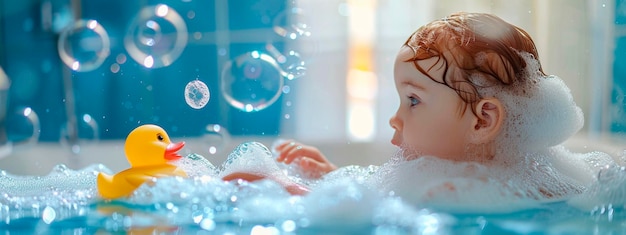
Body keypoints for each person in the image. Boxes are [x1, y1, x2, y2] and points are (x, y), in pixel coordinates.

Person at [225, 12, 599, 199]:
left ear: (483, 121)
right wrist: (331, 176)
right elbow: (380, 196)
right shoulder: (507, 180)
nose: (395, 117)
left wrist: (285, 188)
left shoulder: (456, 190)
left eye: (414, 100)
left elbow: (366, 218)